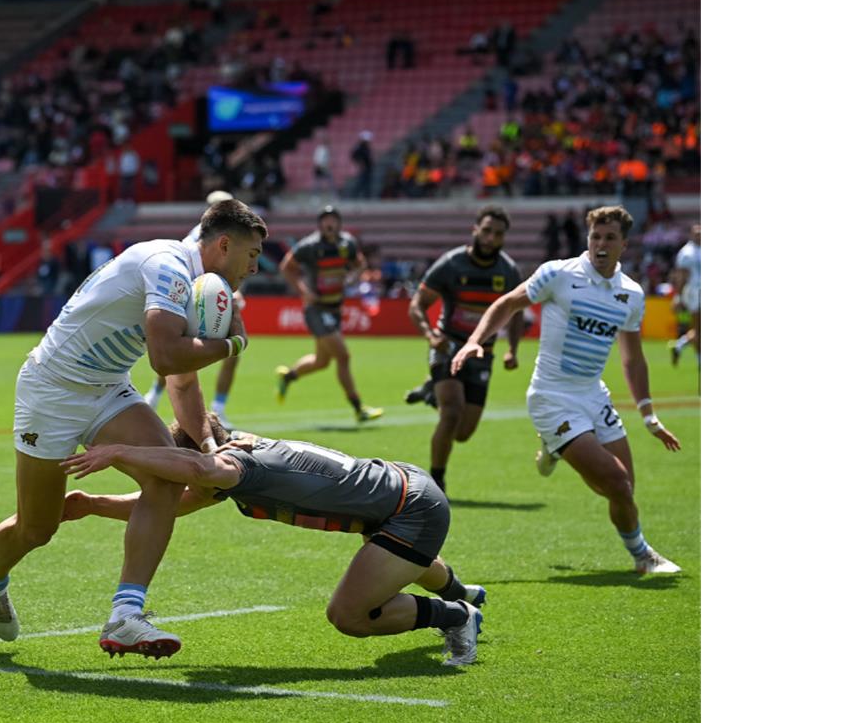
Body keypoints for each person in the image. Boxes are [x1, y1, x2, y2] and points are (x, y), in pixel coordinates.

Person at [0, 198, 268, 659]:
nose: (253, 268)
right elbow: (166, 357)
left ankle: (126, 616)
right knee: (37, 527)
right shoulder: (168, 266)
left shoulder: (199, 285)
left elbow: (181, 381)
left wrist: (207, 444)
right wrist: (232, 344)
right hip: (50, 390)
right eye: (251, 256)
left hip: (107, 389)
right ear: (224, 245)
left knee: (168, 476)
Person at [59, 415, 485, 666]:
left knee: (350, 616)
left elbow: (199, 475)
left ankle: (455, 614)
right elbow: (175, 504)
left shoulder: (234, 467)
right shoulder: (235, 457)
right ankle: (462, 590)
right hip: (397, 491)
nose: (173, 487)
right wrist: (93, 504)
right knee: (397, 556)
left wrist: (117, 453)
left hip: (410, 510)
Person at [451, 206, 683, 574]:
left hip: (593, 395)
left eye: (609, 238)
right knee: (617, 482)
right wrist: (475, 341)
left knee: (623, 489)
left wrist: (649, 415)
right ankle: (643, 556)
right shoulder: (559, 273)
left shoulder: (631, 294)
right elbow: (508, 302)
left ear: (624, 244)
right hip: (552, 398)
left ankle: (556, 448)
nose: (601, 245)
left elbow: (633, 359)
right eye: (595, 237)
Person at [402, 207, 524, 494]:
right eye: (486, 231)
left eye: (498, 233)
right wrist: (431, 336)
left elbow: (517, 313)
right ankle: (436, 482)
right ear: (475, 230)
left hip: (483, 354)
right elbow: (417, 304)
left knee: (464, 432)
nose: (491, 238)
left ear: (504, 237)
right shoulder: (452, 264)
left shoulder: (508, 271)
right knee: (452, 412)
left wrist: (513, 350)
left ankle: (432, 392)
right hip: (448, 347)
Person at [144, 191, 245, 426]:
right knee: (180, 353)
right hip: (192, 301)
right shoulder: (196, 239)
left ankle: (217, 409)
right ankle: (163, 399)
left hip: (213, 299)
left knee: (231, 353)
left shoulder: (229, 239)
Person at [275, 206, 383, 423]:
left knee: (322, 361)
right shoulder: (310, 245)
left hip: (335, 308)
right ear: (320, 224)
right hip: (316, 310)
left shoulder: (347, 243)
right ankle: (358, 407)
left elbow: (360, 263)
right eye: (325, 220)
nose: (329, 224)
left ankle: (288, 376)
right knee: (343, 356)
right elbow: (286, 267)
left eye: (333, 219)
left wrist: (354, 277)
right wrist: (304, 291)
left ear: (339, 223)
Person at [669, 224, 700, 367]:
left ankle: (679, 345)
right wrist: (678, 297)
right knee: (699, 327)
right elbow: (681, 276)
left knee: (700, 329)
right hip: (695, 292)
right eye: (697, 232)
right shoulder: (687, 253)